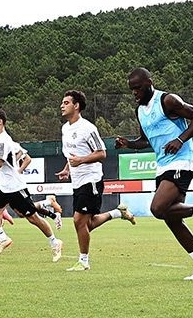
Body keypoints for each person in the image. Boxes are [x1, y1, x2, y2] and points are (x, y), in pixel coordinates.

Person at [115, 68, 193, 280]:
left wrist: (180, 140)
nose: (134, 92)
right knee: (171, 217)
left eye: (138, 88)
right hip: (163, 165)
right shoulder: (140, 111)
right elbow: (146, 140)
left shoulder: (167, 100)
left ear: (149, 83)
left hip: (182, 161)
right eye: (132, 89)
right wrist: (129, 144)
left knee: (157, 208)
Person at [55, 90, 136, 271]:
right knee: (86, 224)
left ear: (76, 106)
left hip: (91, 179)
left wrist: (81, 161)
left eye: (66, 103)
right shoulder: (65, 128)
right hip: (77, 181)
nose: (62, 105)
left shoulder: (88, 128)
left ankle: (84, 261)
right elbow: (72, 154)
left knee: (78, 221)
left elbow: (102, 153)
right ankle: (118, 213)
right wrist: (67, 169)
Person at [0, 108, 63, 262]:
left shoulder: (3, 140)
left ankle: (55, 242)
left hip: (15, 187)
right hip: (4, 186)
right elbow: (0, 162)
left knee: (33, 218)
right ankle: (2, 238)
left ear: (0, 122)